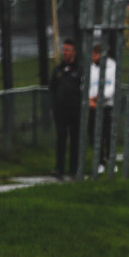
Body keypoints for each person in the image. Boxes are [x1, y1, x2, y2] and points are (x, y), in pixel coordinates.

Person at [49, 39, 83, 178]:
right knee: (61, 138)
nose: (65, 53)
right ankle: (59, 168)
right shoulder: (58, 69)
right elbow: (52, 88)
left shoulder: (80, 69)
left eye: (68, 50)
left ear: (74, 52)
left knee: (75, 139)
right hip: (61, 111)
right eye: (64, 50)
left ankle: (74, 169)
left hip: (76, 110)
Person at [88, 44, 117, 174]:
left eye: (94, 54)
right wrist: (90, 99)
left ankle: (111, 160)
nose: (92, 57)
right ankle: (100, 161)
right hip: (94, 107)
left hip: (107, 106)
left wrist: (100, 97)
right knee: (96, 135)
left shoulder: (112, 67)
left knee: (108, 135)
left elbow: (112, 87)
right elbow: (86, 85)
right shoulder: (91, 68)